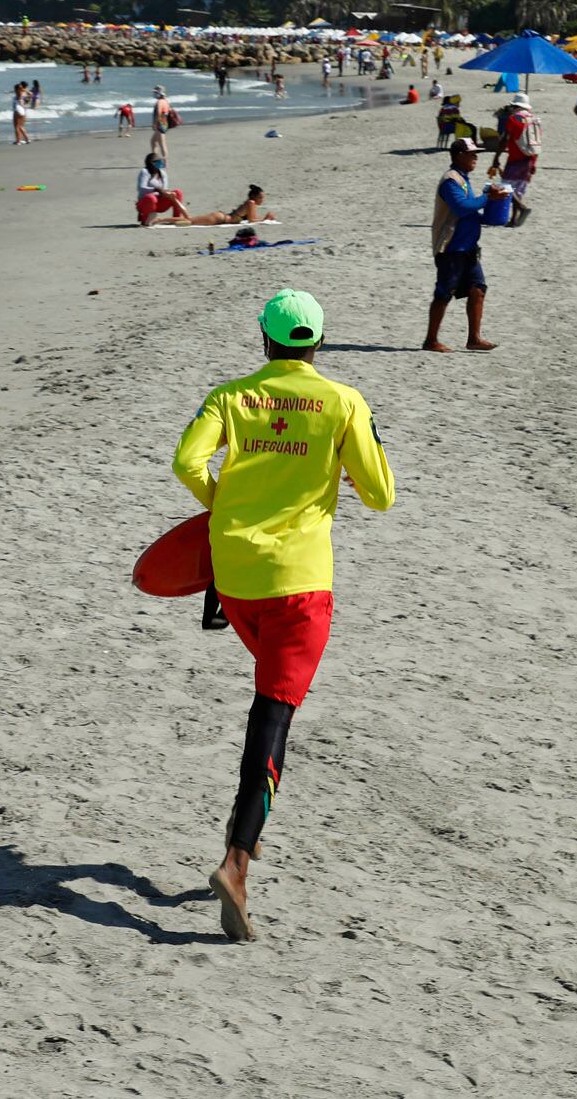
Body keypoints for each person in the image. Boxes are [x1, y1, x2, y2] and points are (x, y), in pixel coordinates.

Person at [172, 288, 396, 941]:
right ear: (319, 341)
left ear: (265, 339)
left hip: (235, 580)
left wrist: (223, 504)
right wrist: (345, 471)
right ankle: (237, 860)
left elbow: (186, 462)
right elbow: (381, 495)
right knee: (273, 714)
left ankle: (247, 829)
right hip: (300, 585)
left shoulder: (230, 396)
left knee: (271, 693)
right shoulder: (344, 402)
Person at [424, 138, 508, 352]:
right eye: (472, 154)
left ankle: (474, 339)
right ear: (459, 155)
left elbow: (469, 211)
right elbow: (461, 207)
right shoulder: (450, 180)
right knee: (444, 293)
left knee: (478, 289)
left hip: (468, 248)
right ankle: (431, 340)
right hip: (451, 248)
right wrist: (488, 197)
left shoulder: (462, 179)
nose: (476, 157)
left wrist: (489, 215)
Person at [487, 92, 538, 226]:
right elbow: (535, 142)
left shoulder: (514, 119)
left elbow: (505, 139)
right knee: (519, 190)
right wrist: (534, 163)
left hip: (515, 158)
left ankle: (522, 208)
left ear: (516, 106)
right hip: (529, 158)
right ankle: (513, 219)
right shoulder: (533, 120)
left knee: (505, 187)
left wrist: (496, 157)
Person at [178, 185, 277, 227]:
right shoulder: (251, 203)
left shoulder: (251, 204)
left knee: (189, 221)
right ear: (253, 197)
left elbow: (252, 219)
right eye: (260, 197)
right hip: (219, 218)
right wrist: (265, 219)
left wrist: (264, 219)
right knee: (189, 220)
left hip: (221, 218)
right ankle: (172, 205)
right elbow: (251, 220)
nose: (262, 200)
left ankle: (168, 220)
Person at [135, 153, 187, 225]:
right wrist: (156, 189)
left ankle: (176, 218)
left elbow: (164, 189)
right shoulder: (145, 171)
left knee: (178, 192)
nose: (161, 163)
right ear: (152, 163)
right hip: (146, 203)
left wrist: (169, 194)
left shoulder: (163, 173)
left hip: (159, 203)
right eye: (159, 161)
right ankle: (145, 219)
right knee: (151, 198)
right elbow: (141, 188)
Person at [150, 85, 173, 160]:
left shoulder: (159, 102)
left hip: (160, 124)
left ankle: (163, 162)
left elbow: (159, 113)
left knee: (162, 144)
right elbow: (168, 111)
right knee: (153, 141)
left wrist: (154, 124)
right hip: (164, 123)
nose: (154, 94)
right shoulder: (166, 101)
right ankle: (155, 160)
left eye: (155, 92)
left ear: (159, 93)